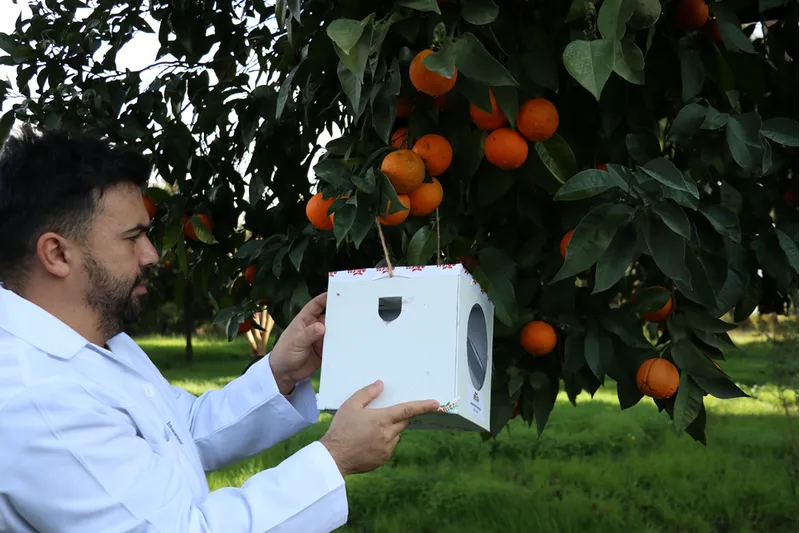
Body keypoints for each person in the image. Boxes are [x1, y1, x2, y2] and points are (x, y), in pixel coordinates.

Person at [0, 125, 441, 533]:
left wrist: (281, 374)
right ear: (57, 254)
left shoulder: (97, 341)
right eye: (132, 237)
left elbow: (181, 430)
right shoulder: (38, 400)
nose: (152, 255)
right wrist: (335, 458)